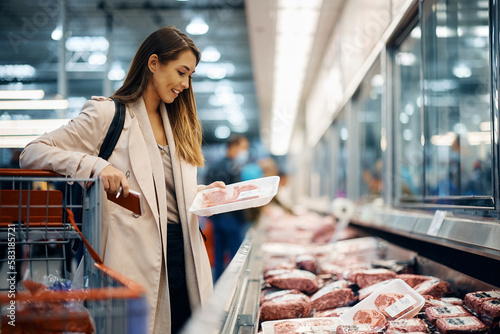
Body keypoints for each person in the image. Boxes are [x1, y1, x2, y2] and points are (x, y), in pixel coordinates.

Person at [19, 26, 223, 334]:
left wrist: (202, 193)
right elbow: (32, 152)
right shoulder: (107, 114)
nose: (185, 83)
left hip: (185, 256)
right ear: (153, 63)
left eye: (190, 76)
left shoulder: (178, 124)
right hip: (133, 256)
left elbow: (160, 194)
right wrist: (95, 166)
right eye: (181, 72)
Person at [204, 135, 249, 280]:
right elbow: (237, 196)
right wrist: (243, 219)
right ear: (235, 146)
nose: (245, 151)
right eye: (244, 147)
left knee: (218, 255)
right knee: (236, 257)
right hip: (232, 218)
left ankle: (218, 286)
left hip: (216, 218)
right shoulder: (233, 167)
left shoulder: (214, 166)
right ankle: (234, 286)